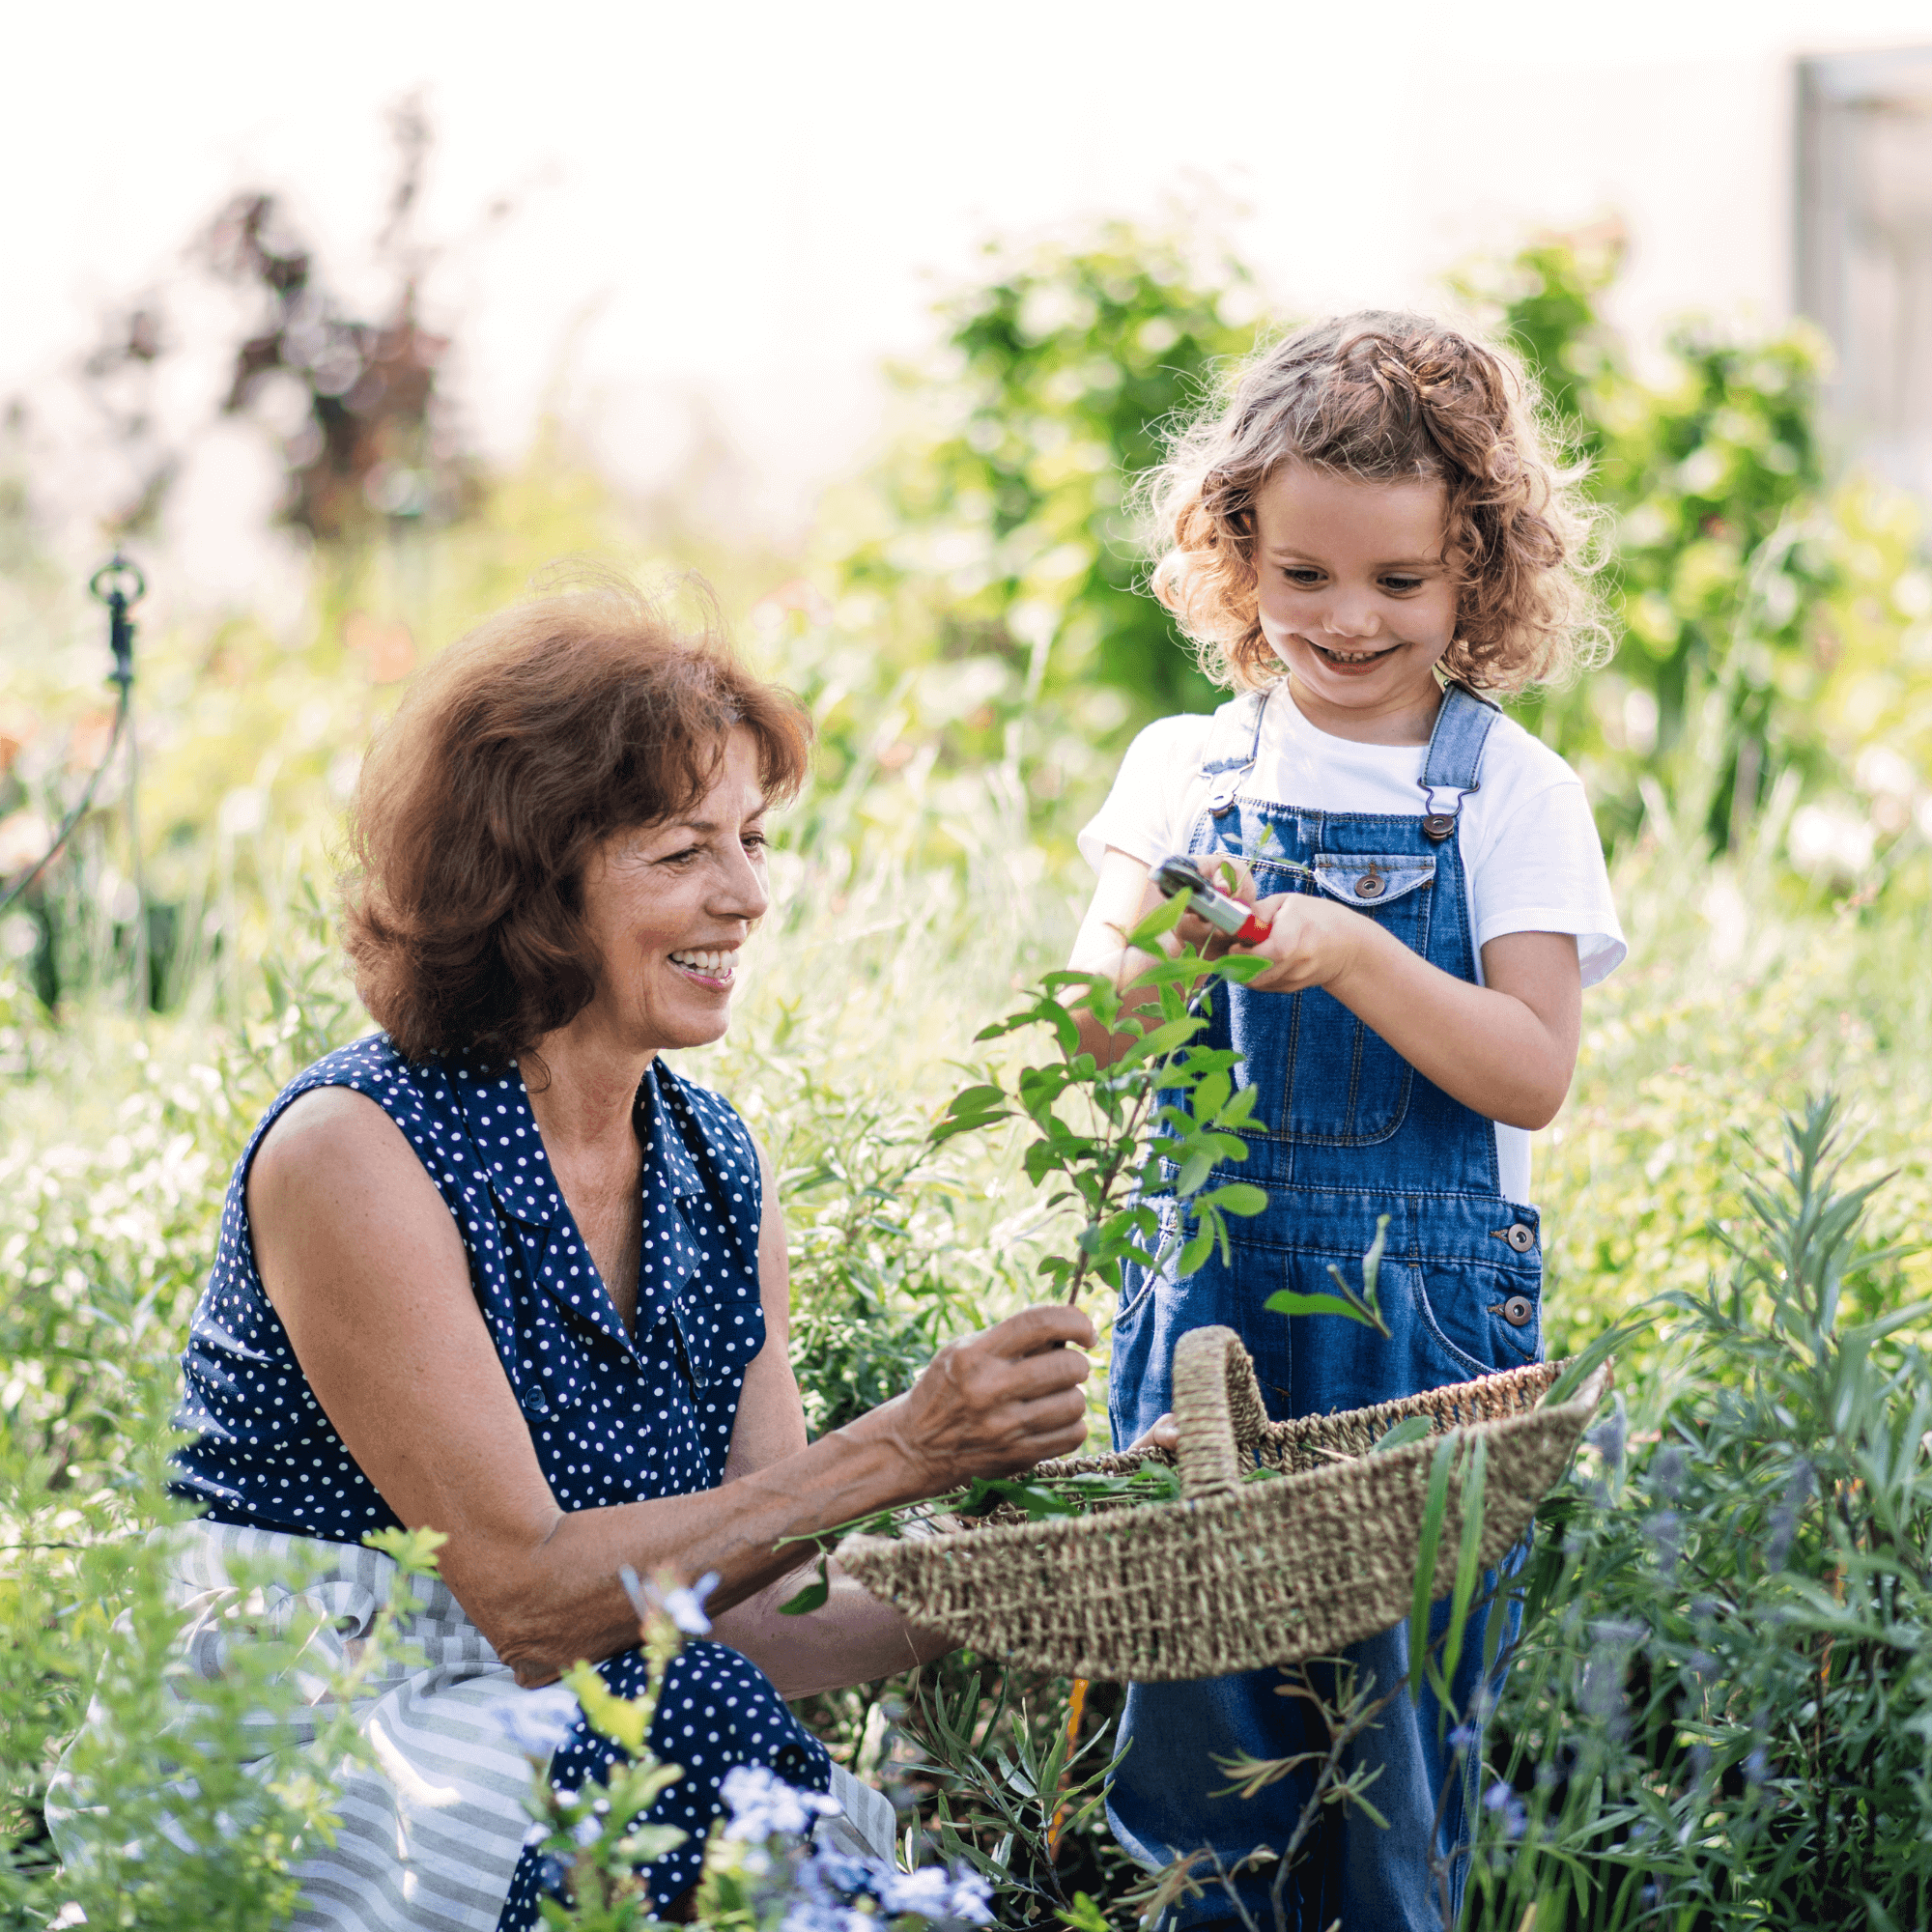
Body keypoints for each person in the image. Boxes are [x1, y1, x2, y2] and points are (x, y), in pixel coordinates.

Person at [87, 584, 1096, 1931]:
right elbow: (525, 1602)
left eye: (749, 840)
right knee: (747, 1807)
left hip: (605, 1720)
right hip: (316, 1738)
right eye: (683, 851)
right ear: (530, 881)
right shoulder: (355, 1152)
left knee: (716, 1755)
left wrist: (1033, 1585)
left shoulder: (717, 1172)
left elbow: (756, 1613)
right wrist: (906, 1448)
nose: (746, 895)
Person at [1068, 313, 1626, 1930]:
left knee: (1396, 1775)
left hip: (1426, 1345)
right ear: (1237, 555)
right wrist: (1174, 942)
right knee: (1193, 1776)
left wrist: (1360, 953)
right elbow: (1091, 1041)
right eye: (1305, 575)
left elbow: (1530, 1068)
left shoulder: (1514, 793)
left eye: (1401, 582)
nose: (1349, 619)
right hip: (1212, 1334)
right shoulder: (1186, 770)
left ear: (1479, 574)